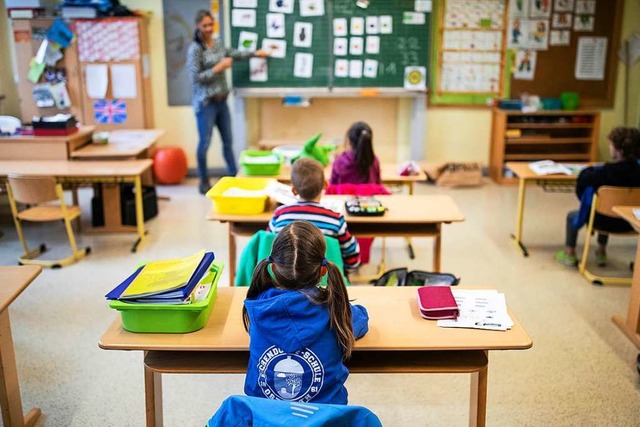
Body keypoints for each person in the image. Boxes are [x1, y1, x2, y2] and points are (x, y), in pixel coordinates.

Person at [242, 221, 369, 404]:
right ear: (323, 270)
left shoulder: (259, 306)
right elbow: (362, 318)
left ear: (274, 267)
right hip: (325, 421)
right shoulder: (336, 312)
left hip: (266, 418)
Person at [187, 10, 268, 194]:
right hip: (206, 103)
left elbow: (235, 54)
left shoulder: (218, 44)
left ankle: (233, 177)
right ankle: (203, 181)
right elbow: (196, 78)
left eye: (211, 24)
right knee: (204, 143)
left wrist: (256, 53)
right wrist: (218, 68)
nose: (209, 28)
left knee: (228, 142)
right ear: (198, 26)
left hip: (222, 102)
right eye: (205, 25)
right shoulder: (195, 50)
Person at [555, 127, 640, 267]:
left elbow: (581, 187)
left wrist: (590, 169)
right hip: (632, 223)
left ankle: (569, 253)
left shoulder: (603, 173)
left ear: (619, 150)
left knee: (577, 214)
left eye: (611, 144)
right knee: (609, 207)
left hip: (601, 221)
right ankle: (601, 252)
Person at [268, 158, 361, 271]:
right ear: (325, 185)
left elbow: (268, 246)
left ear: (293, 190)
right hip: (326, 282)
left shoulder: (279, 216)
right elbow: (353, 259)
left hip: (284, 280)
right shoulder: (336, 220)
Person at [330, 121, 381, 185]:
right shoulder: (374, 160)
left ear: (350, 140)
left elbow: (332, 188)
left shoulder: (340, 161)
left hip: (344, 195)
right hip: (370, 195)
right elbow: (378, 186)